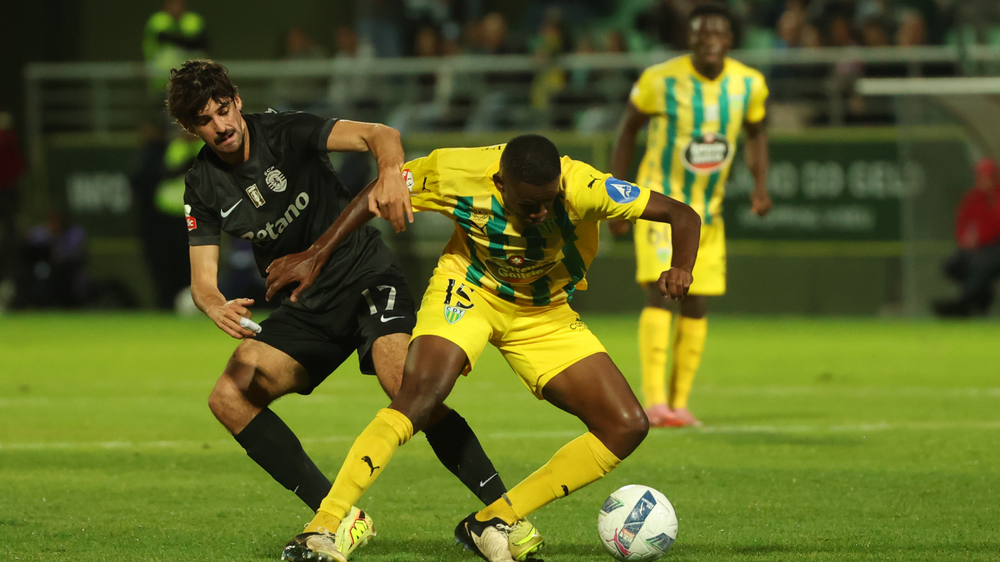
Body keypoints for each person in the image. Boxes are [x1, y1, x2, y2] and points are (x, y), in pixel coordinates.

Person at [166, 60, 543, 560]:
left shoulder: (286, 131)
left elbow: (379, 133)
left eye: (224, 109)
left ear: (236, 100)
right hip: (305, 305)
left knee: (407, 389)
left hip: (364, 275)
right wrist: (215, 306)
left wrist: (390, 176)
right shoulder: (203, 184)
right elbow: (202, 284)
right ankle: (338, 518)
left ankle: (504, 513)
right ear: (191, 128)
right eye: (206, 120)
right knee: (228, 397)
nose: (222, 125)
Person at [267, 134, 701, 562]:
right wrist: (316, 252)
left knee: (626, 425)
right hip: (469, 290)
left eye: (549, 201)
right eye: (530, 204)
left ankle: (493, 520)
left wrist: (681, 265)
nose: (542, 212)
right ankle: (322, 527)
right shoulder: (455, 172)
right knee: (419, 395)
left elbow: (682, 215)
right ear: (499, 183)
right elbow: (383, 189)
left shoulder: (584, 187)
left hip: (543, 311)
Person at [609, 2, 771, 428]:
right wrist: (616, 196)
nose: (709, 42)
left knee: (697, 300)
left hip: (708, 213)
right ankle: (656, 401)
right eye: (701, 35)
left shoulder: (749, 84)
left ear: (730, 40)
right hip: (660, 207)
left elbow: (756, 134)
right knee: (660, 289)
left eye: (717, 35)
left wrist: (759, 186)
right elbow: (627, 130)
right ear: (690, 39)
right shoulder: (659, 80)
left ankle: (679, 405)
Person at [934, 157, 1000, 317]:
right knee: (952, 265)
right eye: (980, 177)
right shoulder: (972, 199)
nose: (983, 181)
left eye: (987, 177)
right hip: (978, 248)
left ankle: (965, 304)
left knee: (981, 265)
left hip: (996, 246)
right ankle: (983, 296)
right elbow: (962, 225)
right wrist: (965, 239)